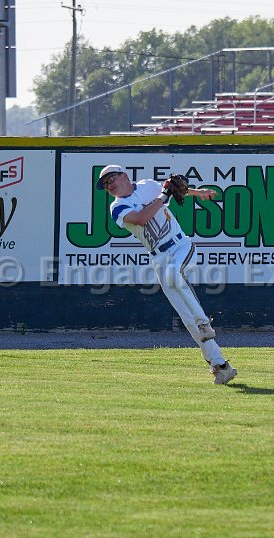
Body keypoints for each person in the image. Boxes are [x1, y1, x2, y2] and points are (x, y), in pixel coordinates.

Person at [97, 164, 238, 385]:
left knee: (175, 274)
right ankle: (220, 366)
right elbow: (141, 218)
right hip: (159, 258)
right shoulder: (117, 207)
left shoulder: (147, 185)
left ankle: (203, 321)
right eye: (105, 184)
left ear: (124, 176)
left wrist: (198, 193)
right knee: (187, 318)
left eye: (111, 179)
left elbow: (177, 190)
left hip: (180, 245)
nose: (109, 185)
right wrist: (164, 196)